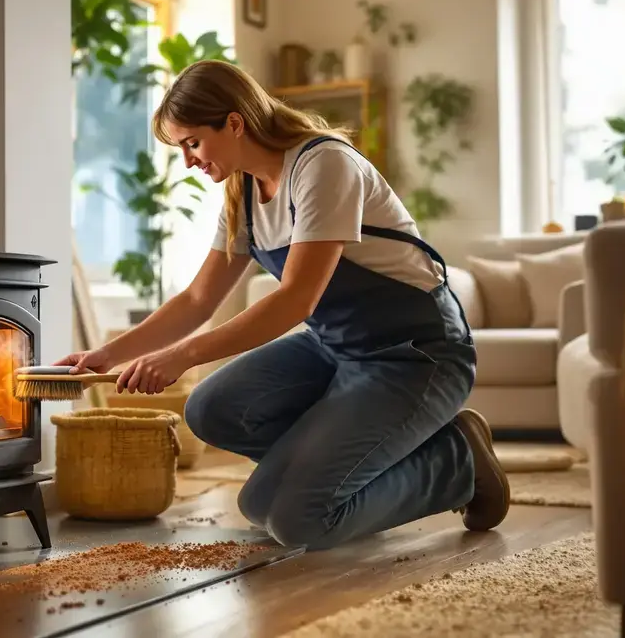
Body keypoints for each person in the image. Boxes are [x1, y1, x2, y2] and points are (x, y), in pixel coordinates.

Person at [54, 59, 510, 550]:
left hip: (416, 354)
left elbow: (295, 298)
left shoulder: (323, 165)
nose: (188, 160)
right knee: (223, 432)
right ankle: (341, 468)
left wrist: (182, 356)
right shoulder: (243, 189)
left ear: (233, 122)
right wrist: (105, 355)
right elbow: (198, 298)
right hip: (336, 349)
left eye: (192, 143)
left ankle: (456, 460)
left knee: (301, 521)